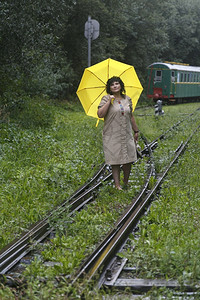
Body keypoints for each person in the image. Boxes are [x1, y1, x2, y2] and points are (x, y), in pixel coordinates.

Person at [97, 76, 139, 190]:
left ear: (121, 85)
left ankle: (125, 182)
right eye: (112, 84)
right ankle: (117, 185)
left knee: (128, 159)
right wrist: (109, 101)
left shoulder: (127, 99)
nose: (115, 86)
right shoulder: (105, 99)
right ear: (109, 88)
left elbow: (131, 116)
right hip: (112, 134)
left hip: (126, 133)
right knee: (114, 160)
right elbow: (100, 114)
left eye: (117, 83)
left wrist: (136, 130)